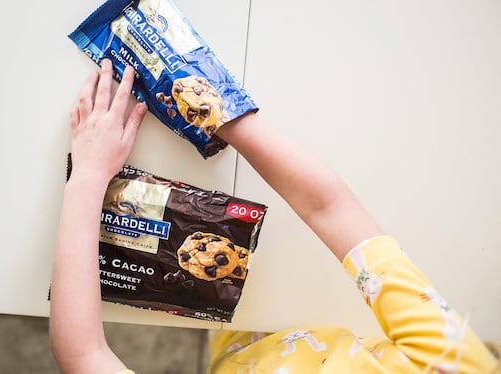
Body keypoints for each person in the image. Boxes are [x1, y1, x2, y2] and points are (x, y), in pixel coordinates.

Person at [49, 59, 499, 373]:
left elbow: (86, 358)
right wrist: (217, 112)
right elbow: (330, 207)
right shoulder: (455, 364)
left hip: (239, 328)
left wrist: (88, 177)